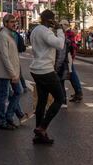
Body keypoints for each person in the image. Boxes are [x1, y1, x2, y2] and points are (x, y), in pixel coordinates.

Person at [29, 10, 65, 145]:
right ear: (50, 20)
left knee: (42, 101)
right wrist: (60, 30)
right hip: (45, 70)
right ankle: (42, 127)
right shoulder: (45, 31)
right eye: (53, 20)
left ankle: (39, 136)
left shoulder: (35, 30)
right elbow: (60, 44)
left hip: (36, 69)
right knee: (60, 98)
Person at [0, 14, 22, 130]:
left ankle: (8, 116)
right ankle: (2, 121)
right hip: (5, 72)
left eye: (15, 21)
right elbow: (5, 57)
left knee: (18, 91)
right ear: (5, 23)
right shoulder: (3, 36)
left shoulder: (10, 35)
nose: (14, 23)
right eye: (11, 22)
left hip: (10, 71)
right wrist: (13, 74)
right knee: (3, 96)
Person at [64, 23, 83, 103]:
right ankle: (78, 92)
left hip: (68, 57)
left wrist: (71, 56)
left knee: (72, 75)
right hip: (69, 57)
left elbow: (70, 46)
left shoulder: (69, 34)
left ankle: (78, 93)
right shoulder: (69, 33)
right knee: (72, 75)